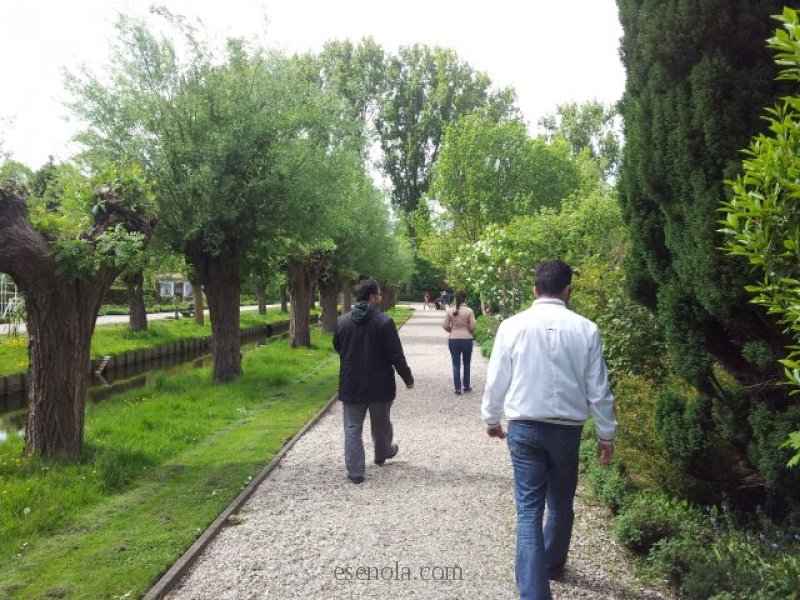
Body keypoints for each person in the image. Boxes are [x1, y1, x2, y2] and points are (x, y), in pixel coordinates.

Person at [481, 260, 616, 600]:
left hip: (525, 427)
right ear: (568, 290)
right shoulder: (587, 329)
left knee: (529, 510)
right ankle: (553, 563)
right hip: (567, 430)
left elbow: (498, 378)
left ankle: (534, 592)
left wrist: (492, 419)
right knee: (560, 502)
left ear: (534, 289)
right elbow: (598, 388)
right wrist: (606, 435)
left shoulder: (512, 326)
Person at [333, 279, 414, 484]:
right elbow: (396, 354)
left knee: (352, 428)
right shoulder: (384, 322)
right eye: (378, 294)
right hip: (380, 383)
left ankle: (356, 472)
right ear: (372, 297)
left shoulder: (342, 322)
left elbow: (338, 347)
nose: (380, 297)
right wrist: (407, 378)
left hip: (352, 383)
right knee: (381, 423)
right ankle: (381, 453)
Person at [442, 290, 476, 395]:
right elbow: (473, 326)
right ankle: (466, 386)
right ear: (465, 298)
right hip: (467, 339)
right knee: (466, 363)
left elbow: (445, 325)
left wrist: (451, 330)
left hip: (453, 339)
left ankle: (457, 388)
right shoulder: (469, 311)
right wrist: (468, 331)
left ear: (455, 298)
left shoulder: (450, 311)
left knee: (455, 364)